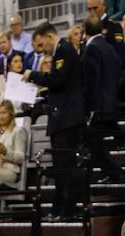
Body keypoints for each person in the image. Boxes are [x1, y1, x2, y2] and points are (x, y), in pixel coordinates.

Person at [25, 22, 83, 219]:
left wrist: (33, 75)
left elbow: (58, 80)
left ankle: (68, 209)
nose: (43, 50)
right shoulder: (61, 51)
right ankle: (60, 209)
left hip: (67, 118)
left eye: (43, 45)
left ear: (50, 37)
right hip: (61, 117)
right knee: (60, 167)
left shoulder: (64, 50)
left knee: (66, 167)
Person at [80, 16, 125, 183]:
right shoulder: (109, 47)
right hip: (111, 102)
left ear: (85, 31)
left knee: (92, 143)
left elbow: (92, 81)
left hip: (98, 106)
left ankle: (116, 173)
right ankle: (113, 172)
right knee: (95, 142)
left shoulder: (92, 48)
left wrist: (88, 109)